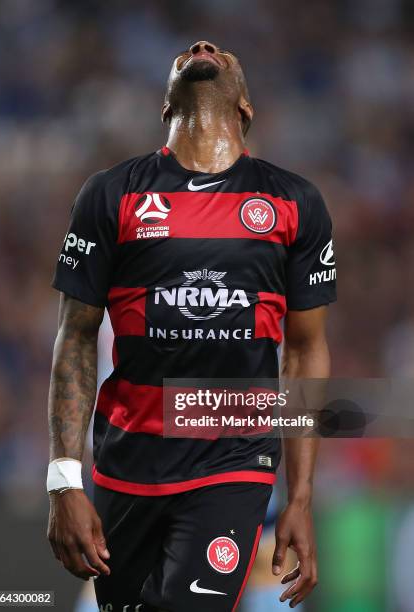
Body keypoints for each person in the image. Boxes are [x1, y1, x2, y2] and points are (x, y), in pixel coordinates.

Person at [47, 40, 336, 611]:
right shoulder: (113, 194)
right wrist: (64, 480)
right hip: (127, 464)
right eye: (190, 49)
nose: (203, 46)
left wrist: (299, 496)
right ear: (165, 107)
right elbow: (76, 336)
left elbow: (305, 352)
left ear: (246, 107)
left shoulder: (294, 203)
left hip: (233, 462)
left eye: (222, 51)